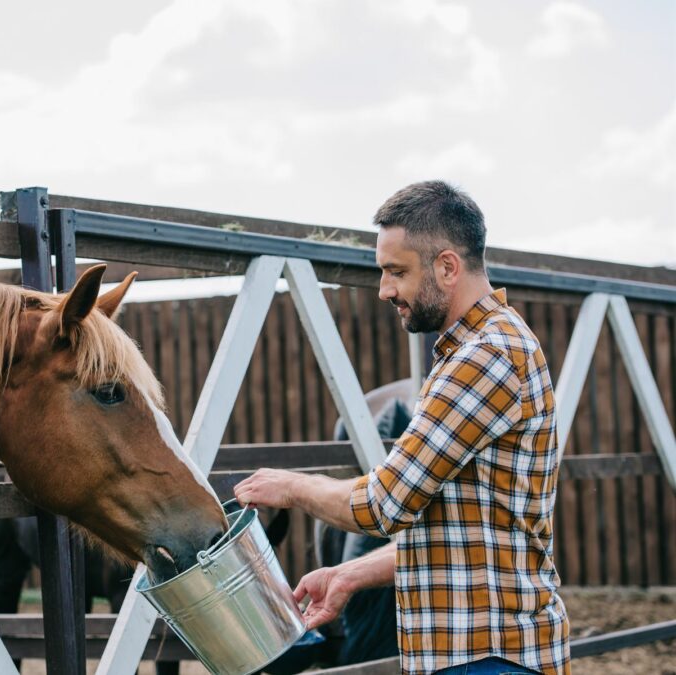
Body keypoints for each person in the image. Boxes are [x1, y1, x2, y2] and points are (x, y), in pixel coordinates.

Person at [236, 181, 569, 675]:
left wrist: (290, 485)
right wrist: (350, 573)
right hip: (479, 653)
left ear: (448, 267)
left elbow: (383, 504)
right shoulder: (474, 350)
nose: (384, 289)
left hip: (488, 656)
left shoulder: (486, 357)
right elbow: (461, 529)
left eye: (397, 272)